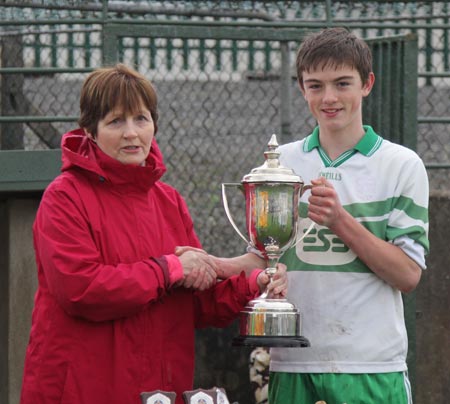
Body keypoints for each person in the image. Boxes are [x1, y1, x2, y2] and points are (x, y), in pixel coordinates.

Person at [19, 64, 287, 404]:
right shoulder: (64, 197)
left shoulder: (169, 201)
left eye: (141, 119)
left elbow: (197, 302)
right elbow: (81, 289)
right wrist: (169, 269)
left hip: (158, 390)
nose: (131, 133)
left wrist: (253, 284)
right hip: (82, 389)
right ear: (89, 130)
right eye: (116, 121)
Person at [219, 27, 429, 404]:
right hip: (293, 364)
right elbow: (265, 256)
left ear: (367, 84)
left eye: (342, 83)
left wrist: (341, 221)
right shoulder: (281, 163)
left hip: (371, 368)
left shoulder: (401, 165)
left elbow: (408, 274)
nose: (329, 97)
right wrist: (210, 264)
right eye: (315, 85)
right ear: (302, 89)